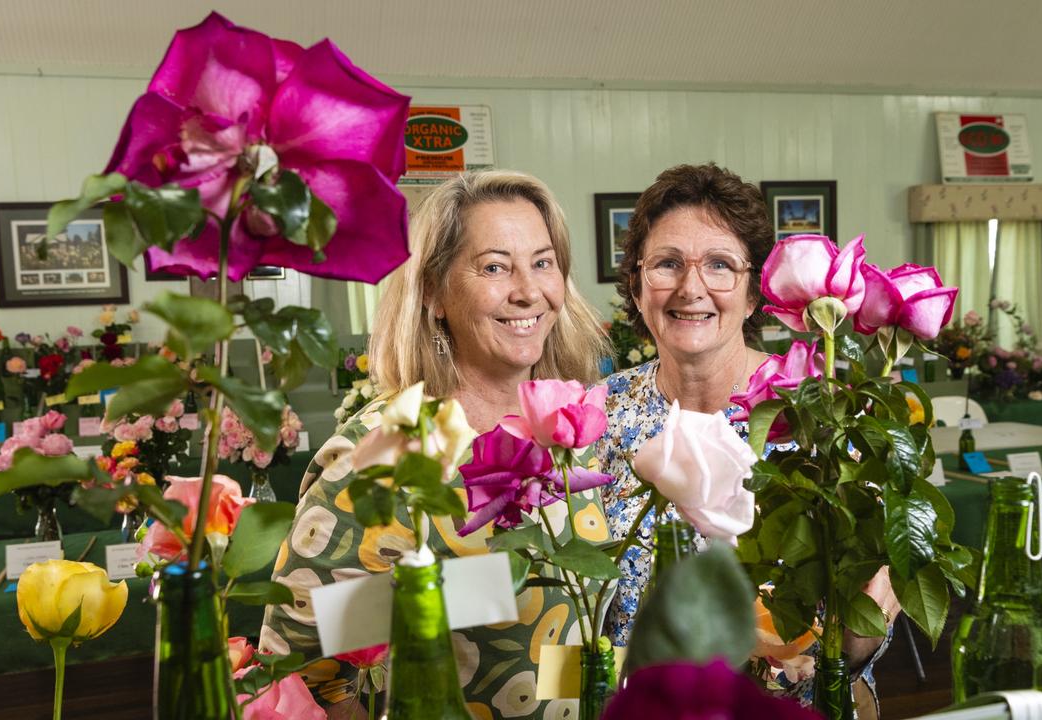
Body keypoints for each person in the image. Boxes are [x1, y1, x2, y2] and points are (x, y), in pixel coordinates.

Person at [260, 170, 611, 718]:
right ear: (433, 292)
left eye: (543, 263)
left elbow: (563, 622)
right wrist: (463, 588)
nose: (528, 291)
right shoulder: (387, 448)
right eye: (495, 267)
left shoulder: (567, 425)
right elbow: (301, 667)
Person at [592, 163, 899, 713]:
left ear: (754, 293)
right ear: (636, 288)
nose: (692, 288)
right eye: (667, 264)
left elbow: (863, 620)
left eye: (719, 265)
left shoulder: (818, 411)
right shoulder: (597, 416)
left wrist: (859, 638)